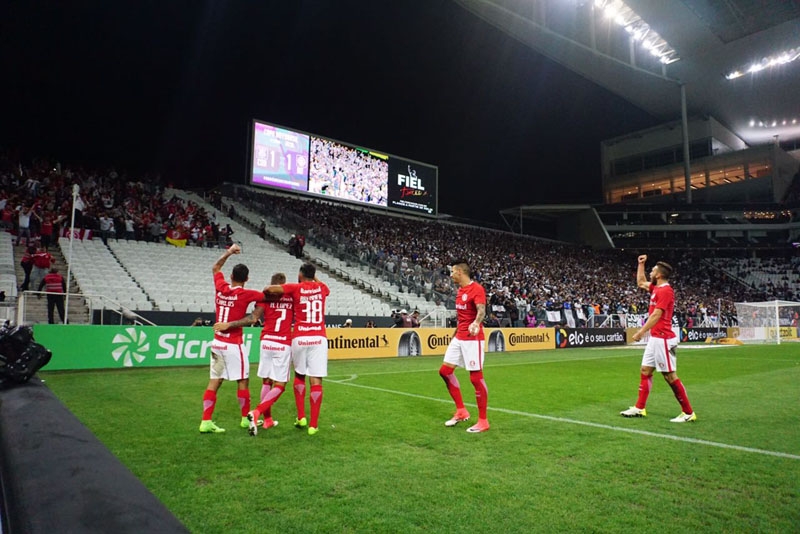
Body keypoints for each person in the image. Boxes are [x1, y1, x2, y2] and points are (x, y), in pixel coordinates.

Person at [249, 262, 329, 436]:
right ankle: (313, 426)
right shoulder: (322, 288)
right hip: (318, 337)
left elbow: (269, 289)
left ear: (300, 275)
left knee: (298, 376)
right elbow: (324, 288)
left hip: (298, 337)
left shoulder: (294, 288)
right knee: (316, 380)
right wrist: (312, 276)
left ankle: (300, 417)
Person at [621, 255, 696, 423]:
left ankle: (688, 412)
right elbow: (641, 282)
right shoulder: (656, 288)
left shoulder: (666, 291)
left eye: (653, 270)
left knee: (670, 376)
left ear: (659, 275)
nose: (651, 273)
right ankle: (640, 408)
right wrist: (641, 264)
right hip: (655, 339)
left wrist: (641, 332)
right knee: (645, 371)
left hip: (663, 339)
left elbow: (656, 314)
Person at [198, 243, 265, 434]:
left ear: (231, 276)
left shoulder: (220, 287)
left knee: (215, 381)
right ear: (247, 279)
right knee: (243, 380)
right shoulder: (247, 294)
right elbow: (264, 299)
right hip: (233, 345)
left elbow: (215, 267)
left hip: (217, 343)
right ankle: (244, 419)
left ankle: (205, 421)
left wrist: (228, 252)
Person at [216, 272, 293, 435]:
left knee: (266, 381)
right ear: (283, 284)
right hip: (282, 342)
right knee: (280, 384)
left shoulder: (264, 298)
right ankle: (257, 412)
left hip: (266, 341)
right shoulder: (290, 297)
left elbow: (253, 318)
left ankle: (268, 420)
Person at [439, 261, 490, 433]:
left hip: (473, 338)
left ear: (460, 272)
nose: (451, 275)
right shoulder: (460, 291)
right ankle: (461, 411)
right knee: (445, 371)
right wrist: (454, 335)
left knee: (476, 378)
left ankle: (483, 421)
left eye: (453, 271)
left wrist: (476, 323)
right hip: (459, 337)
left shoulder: (477, 289)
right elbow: (461, 317)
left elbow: (481, 311)